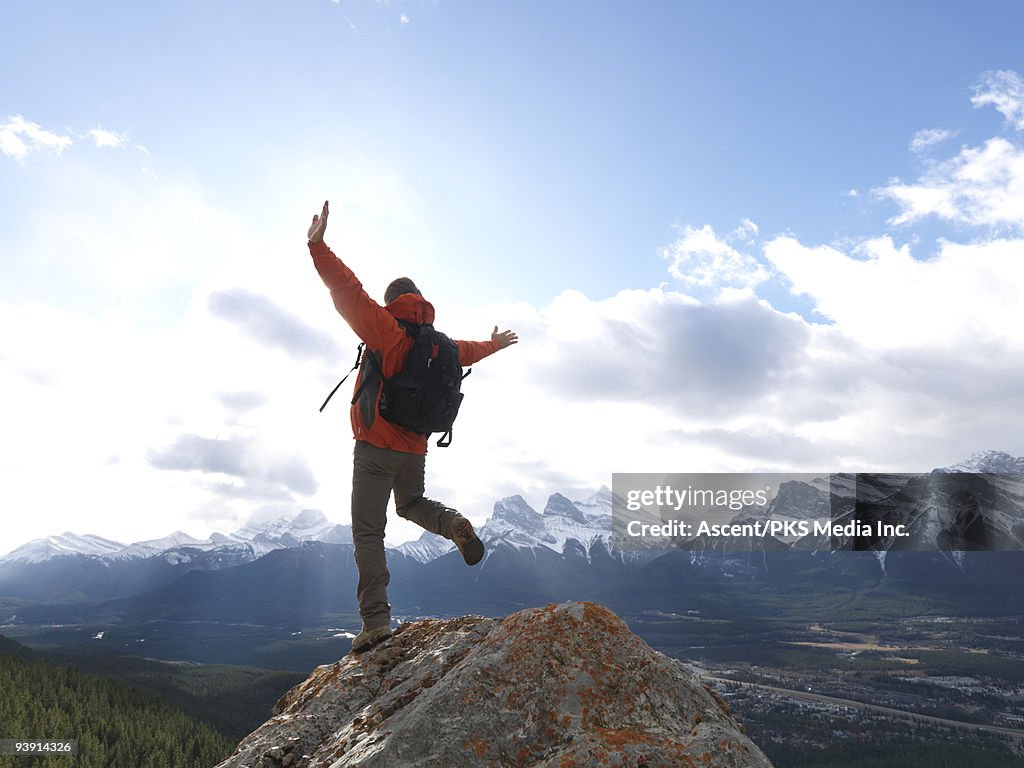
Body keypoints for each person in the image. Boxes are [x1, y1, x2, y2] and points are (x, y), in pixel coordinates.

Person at [306, 200, 518, 653]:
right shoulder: (440, 344)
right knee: (413, 503)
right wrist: (496, 344)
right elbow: (470, 350)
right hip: (415, 449)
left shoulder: (388, 331)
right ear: (421, 302)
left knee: (368, 531)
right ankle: (454, 523)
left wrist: (317, 247)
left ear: (393, 303)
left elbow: (347, 291)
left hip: (375, 445)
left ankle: (376, 622)